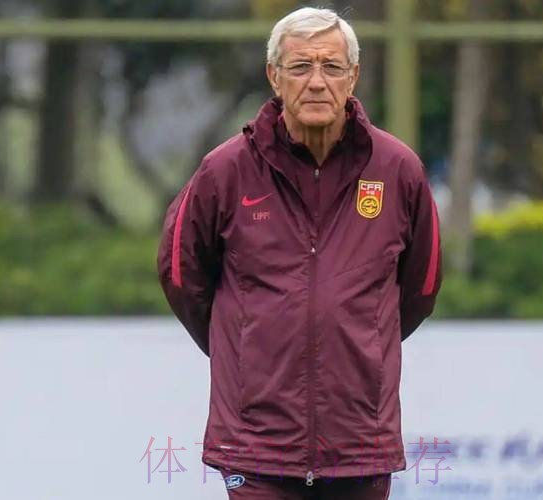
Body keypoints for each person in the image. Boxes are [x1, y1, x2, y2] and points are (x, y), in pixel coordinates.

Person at [157, 7, 442, 499]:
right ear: (274, 76)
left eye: (331, 66)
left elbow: (422, 286)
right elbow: (181, 274)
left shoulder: (398, 170)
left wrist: (363, 341)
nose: (316, 82)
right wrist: (242, 343)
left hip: (359, 442)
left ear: (353, 76)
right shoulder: (225, 170)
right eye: (300, 66)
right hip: (256, 444)